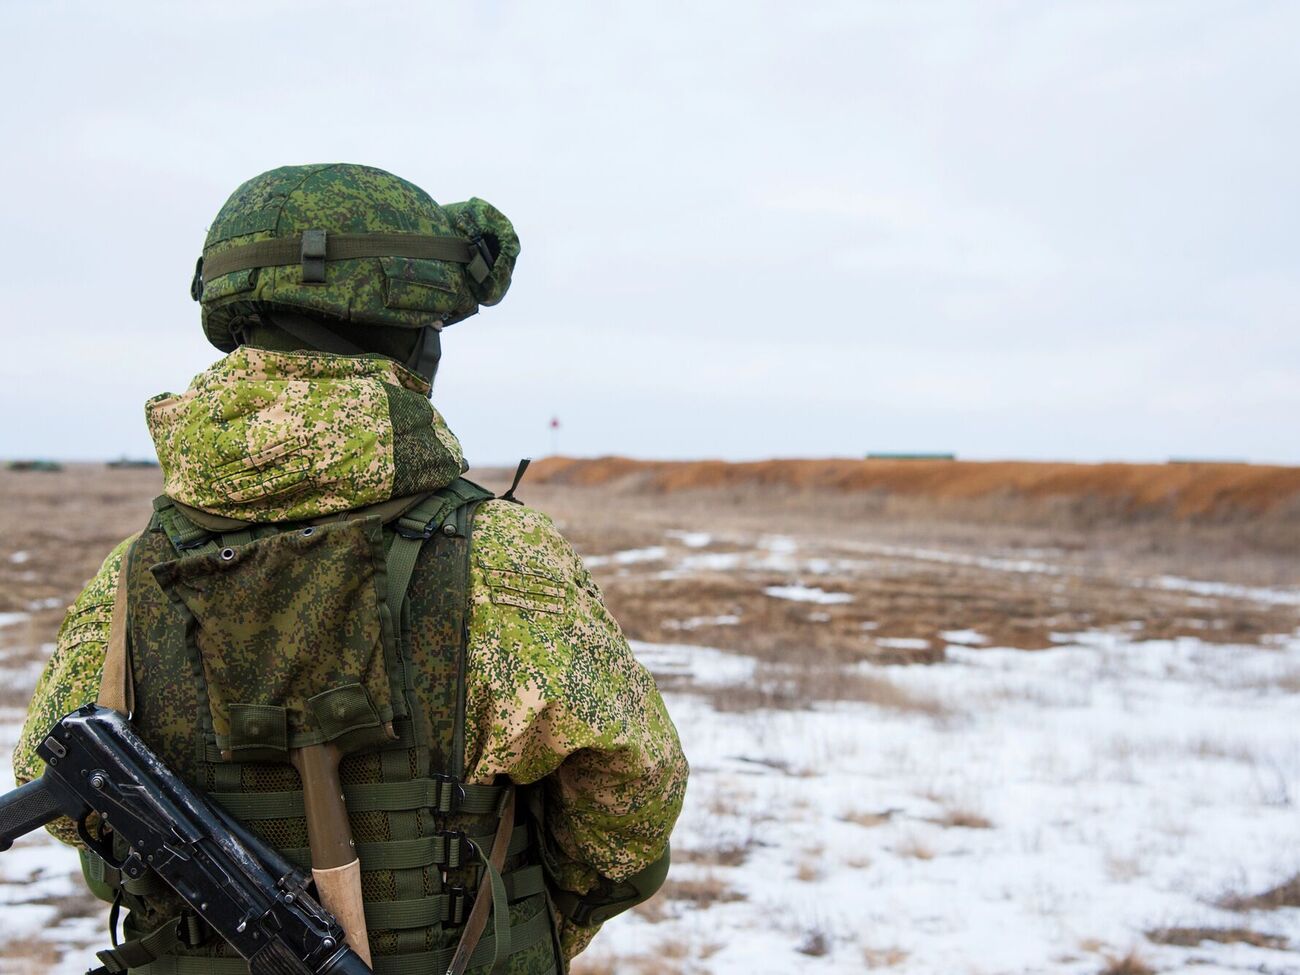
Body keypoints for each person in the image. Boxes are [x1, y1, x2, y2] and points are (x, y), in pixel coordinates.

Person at [13, 163, 688, 975]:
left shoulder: (133, 571)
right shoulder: (503, 559)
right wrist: (522, 928)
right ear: (413, 338)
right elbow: (630, 797)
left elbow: (62, 801)